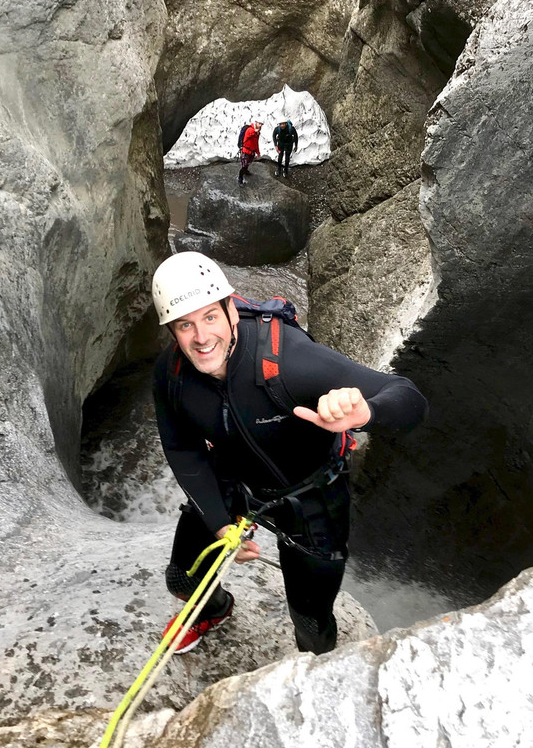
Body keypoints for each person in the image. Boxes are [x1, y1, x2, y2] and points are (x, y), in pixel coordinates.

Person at [151, 252, 428, 655]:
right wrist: (218, 522)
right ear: (172, 332)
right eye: (185, 325)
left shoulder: (288, 360)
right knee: (181, 578)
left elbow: (409, 399)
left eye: (210, 317)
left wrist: (365, 412)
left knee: (312, 624)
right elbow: (182, 449)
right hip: (234, 478)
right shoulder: (171, 374)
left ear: (232, 308)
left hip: (311, 496)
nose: (201, 337)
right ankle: (215, 610)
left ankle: (311, 674)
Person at [237, 120, 263, 187]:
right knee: (244, 165)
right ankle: (240, 178)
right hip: (246, 151)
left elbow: (256, 143)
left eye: (261, 124)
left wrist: (258, 152)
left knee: (248, 163)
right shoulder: (250, 129)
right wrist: (255, 131)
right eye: (259, 123)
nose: (260, 125)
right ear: (256, 123)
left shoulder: (257, 133)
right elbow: (249, 134)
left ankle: (245, 171)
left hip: (251, 151)